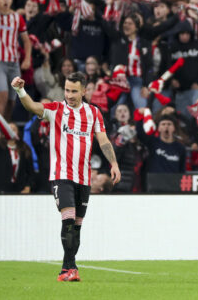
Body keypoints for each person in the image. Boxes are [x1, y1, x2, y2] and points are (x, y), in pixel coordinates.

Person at [11, 71, 121, 282]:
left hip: (84, 177)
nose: (69, 95)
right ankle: (70, 268)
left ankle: (66, 268)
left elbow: (104, 140)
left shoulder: (94, 113)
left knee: (77, 226)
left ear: (84, 91)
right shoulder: (56, 109)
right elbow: (32, 107)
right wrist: (20, 90)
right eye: (67, 90)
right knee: (68, 219)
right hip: (61, 175)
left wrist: (113, 163)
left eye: (74, 91)